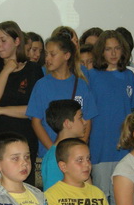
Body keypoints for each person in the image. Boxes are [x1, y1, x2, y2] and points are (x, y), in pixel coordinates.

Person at [0, 22, 44, 178]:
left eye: (3, 40)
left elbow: (33, 110)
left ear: (17, 41)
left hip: (24, 139)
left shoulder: (33, 70)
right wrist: (7, 70)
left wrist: (0, 110)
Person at [85, 30, 134, 205]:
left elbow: (132, 111)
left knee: (121, 199)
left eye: (117, 48)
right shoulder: (91, 76)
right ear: (101, 51)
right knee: (100, 199)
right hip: (100, 145)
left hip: (123, 146)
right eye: (108, 49)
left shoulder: (129, 76)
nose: (113, 53)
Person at [27, 34, 97, 162]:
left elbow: (87, 120)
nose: (47, 58)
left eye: (52, 54)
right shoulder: (41, 85)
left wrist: (80, 148)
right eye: (46, 54)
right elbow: (36, 122)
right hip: (49, 154)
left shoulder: (81, 85)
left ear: (66, 56)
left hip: (76, 157)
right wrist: (54, 151)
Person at [40, 100, 87, 191]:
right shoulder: (54, 158)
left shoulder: (70, 151)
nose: (85, 122)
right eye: (80, 118)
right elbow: (53, 194)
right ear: (67, 123)